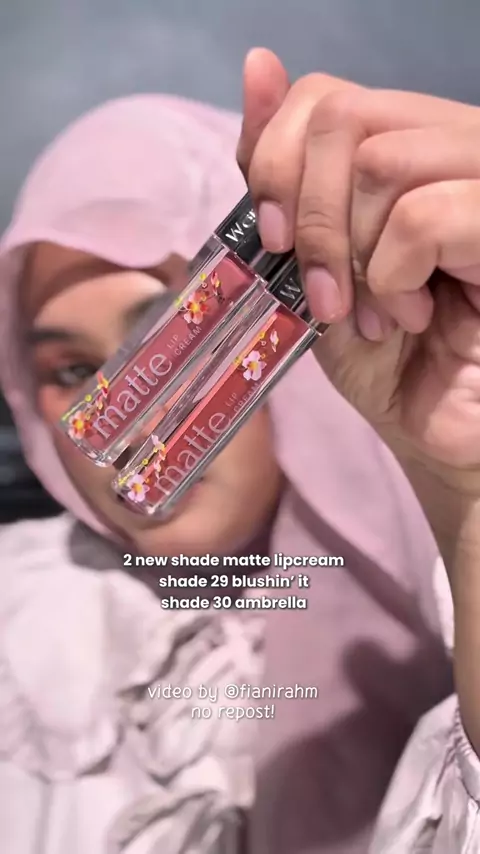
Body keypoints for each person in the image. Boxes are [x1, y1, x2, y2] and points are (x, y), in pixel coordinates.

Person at [0, 94, 282, 853]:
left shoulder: (437, 602)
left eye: (176, 345)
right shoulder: (19, 618)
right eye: (72, 369)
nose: (123, 418)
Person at [241, 47, 480, 852]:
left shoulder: (409, 588)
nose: (145, 389)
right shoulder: (29, 600)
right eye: (67, 369)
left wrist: (470, 495)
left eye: (189, 315)